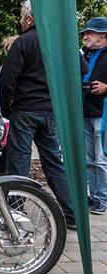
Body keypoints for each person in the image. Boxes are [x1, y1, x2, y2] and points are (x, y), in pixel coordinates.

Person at [0, 0, 76, 229]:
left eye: (22, 18)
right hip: (50, 112)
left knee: (18, 163)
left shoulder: (23, 42)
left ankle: (17, 215)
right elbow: (79, 70)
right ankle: (72, 215)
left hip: (24, 111)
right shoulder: (60, 43)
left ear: (30, 19)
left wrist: (7, 110)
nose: (20, 22)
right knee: (54, 162)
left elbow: (7, 80)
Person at [80, 17, 107, 215]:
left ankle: (102, 199)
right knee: (89, 159)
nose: (85, 36)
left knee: (101, 159)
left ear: (103, 34)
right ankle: (94, 197)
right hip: (85, 111)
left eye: (90, 33)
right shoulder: (85, 55)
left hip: (103, 114)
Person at [0, 35, 18, 174]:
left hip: (2, 114)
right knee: (6, 150)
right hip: (6, 115)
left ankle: (3, 178)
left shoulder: (4, 66)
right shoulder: (8, 67)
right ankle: (5, 178)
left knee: (4, 150)